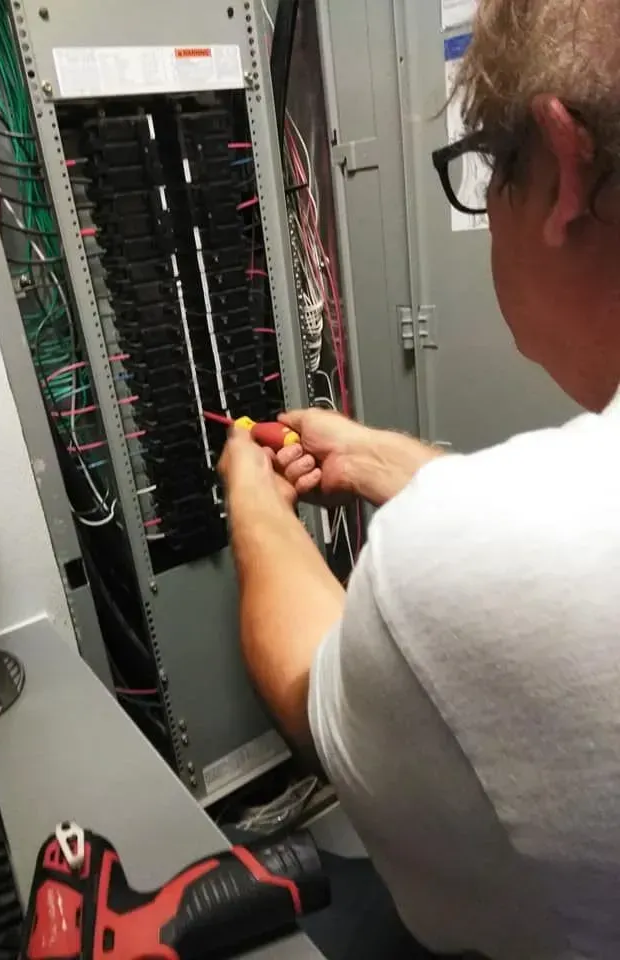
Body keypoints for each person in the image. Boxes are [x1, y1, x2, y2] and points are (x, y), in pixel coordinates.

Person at [219, 1, 620, 958]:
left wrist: (255, 507)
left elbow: (318, 696)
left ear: (563, 171)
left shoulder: (451, 559)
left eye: (486, 170)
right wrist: (398, 463)